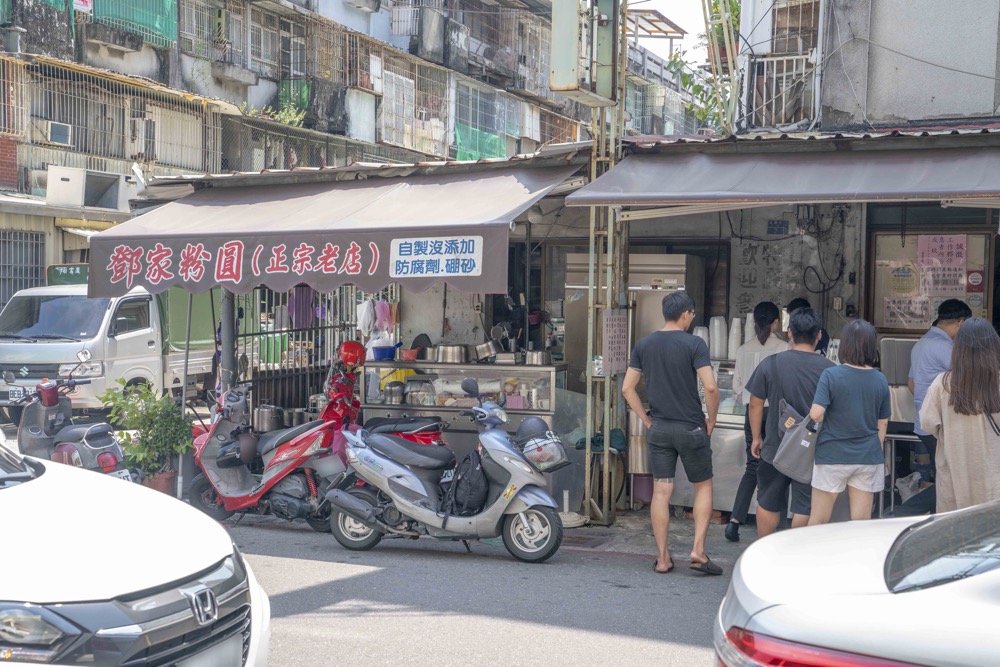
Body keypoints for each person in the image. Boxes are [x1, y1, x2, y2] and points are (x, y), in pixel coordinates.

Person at [622, 291, 722, 576]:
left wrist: (647, 420)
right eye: (691, 314)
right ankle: (698, 551)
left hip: (661, 430)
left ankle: (663, 558)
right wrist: (711, 420)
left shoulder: (644, 344)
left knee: (661, 491)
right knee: (703, 486)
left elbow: (628, 388)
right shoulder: (695, 344)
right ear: (687, 314)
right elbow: (712, 388)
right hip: (691, 429)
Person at [747, 307, 833, 537]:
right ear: (818, 336)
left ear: (789, 333)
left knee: (768, 501)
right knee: (805, 505)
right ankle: (794, 550)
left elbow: (755, 403)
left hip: (775, 446)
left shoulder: (771, 363)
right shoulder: (830, 370)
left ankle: (765, 550)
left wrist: (757, 437)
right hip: (811, 451)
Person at [808, 319, 891, 525]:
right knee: (861, 522)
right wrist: (873, 446)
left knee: (819, 519)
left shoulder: (831, 375)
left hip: (833, 454)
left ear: (844, 344)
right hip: (867, 456)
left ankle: (810, 557)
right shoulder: (880, 379)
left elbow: (816, 414)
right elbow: (883, 423)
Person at [919, 317, 1000, 512]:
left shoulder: (943, 383)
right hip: (994, 482)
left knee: (957, 537)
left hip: (955, 482)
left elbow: (927, 423)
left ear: (958, 348)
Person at [725, 301, 788, 542]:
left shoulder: (742, 350)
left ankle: (734, 521)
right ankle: (776, 523)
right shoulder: (783, 348)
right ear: (775, 323)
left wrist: (749, 398)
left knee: (752, 466)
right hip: (775, 416)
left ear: (753, 323)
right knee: (778, 467)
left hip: (751, 413)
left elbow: (737, 388)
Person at [907, 299, 971, 479]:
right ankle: (910, 509)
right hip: (940, 424)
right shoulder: (946, 347)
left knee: (942, 475)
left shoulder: (921, 343)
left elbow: (911, 383)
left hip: (924, 423)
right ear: (961, 322)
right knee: (949, 477)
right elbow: (966, 380)